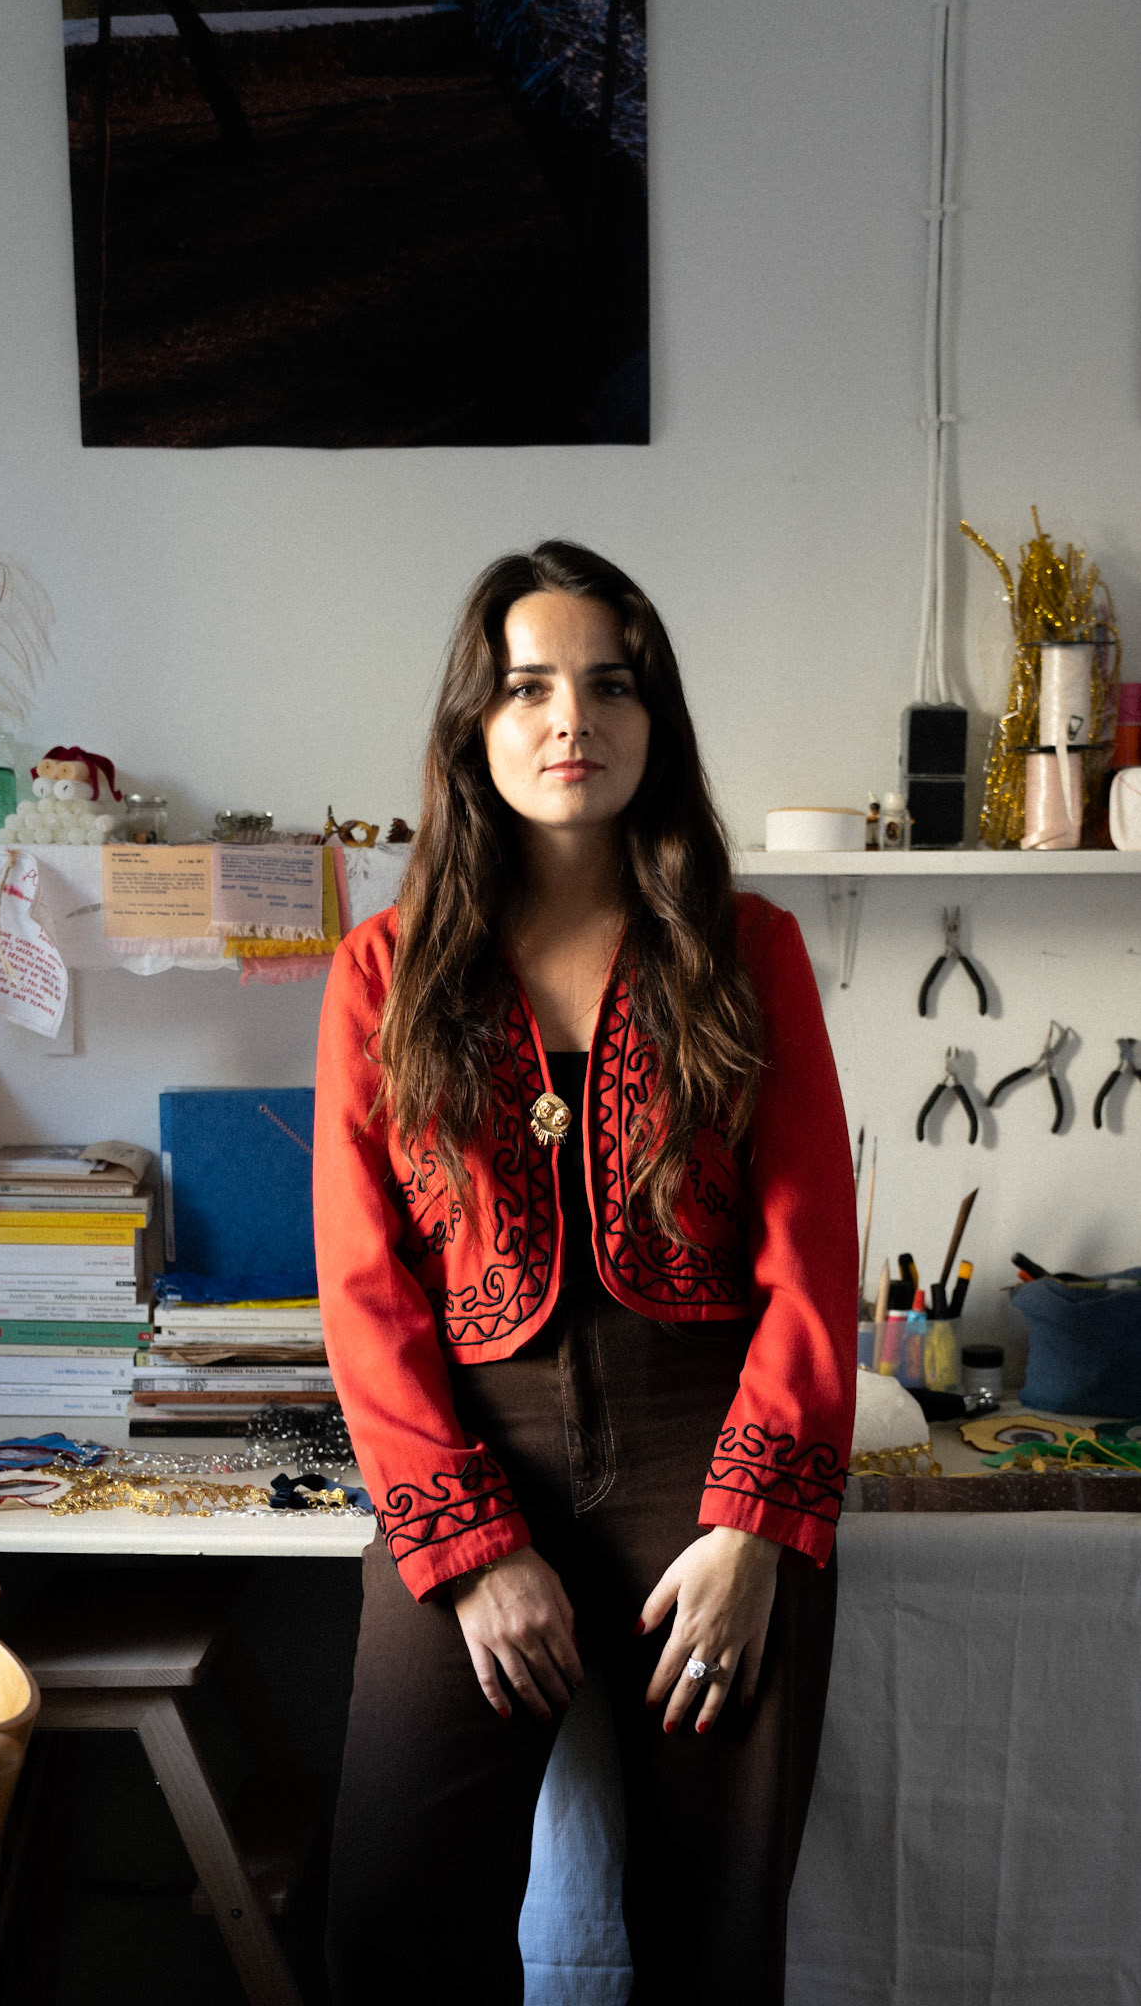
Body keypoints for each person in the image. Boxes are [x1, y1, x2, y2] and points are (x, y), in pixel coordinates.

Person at [313, 541, 856, 2005]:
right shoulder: (384, 971)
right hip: (473, 1456)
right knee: (391, 1917)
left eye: (610, 685)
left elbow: (813, 1265)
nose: (573, 720)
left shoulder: (748, 950)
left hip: (711, 1460)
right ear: (474, 725)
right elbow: (363, 1288)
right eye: (529, 687)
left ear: (653, 719)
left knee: (713, 1933)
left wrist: (752, 1533)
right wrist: (472, 1554)